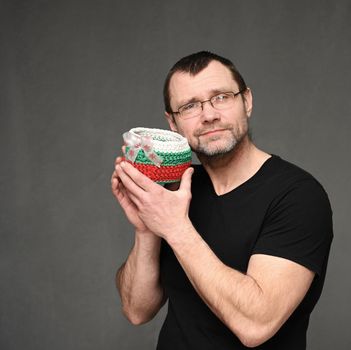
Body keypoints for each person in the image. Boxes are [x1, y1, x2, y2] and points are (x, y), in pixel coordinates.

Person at [111, 51, 333, 349]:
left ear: (247, 101)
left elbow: (256, 324)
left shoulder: (298, 196)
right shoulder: (178, 189)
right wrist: (147, 228)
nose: (209, 115)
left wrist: (176, 229)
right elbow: (137, 311)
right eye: (189, 106)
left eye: (221, 97)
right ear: (173, 123)